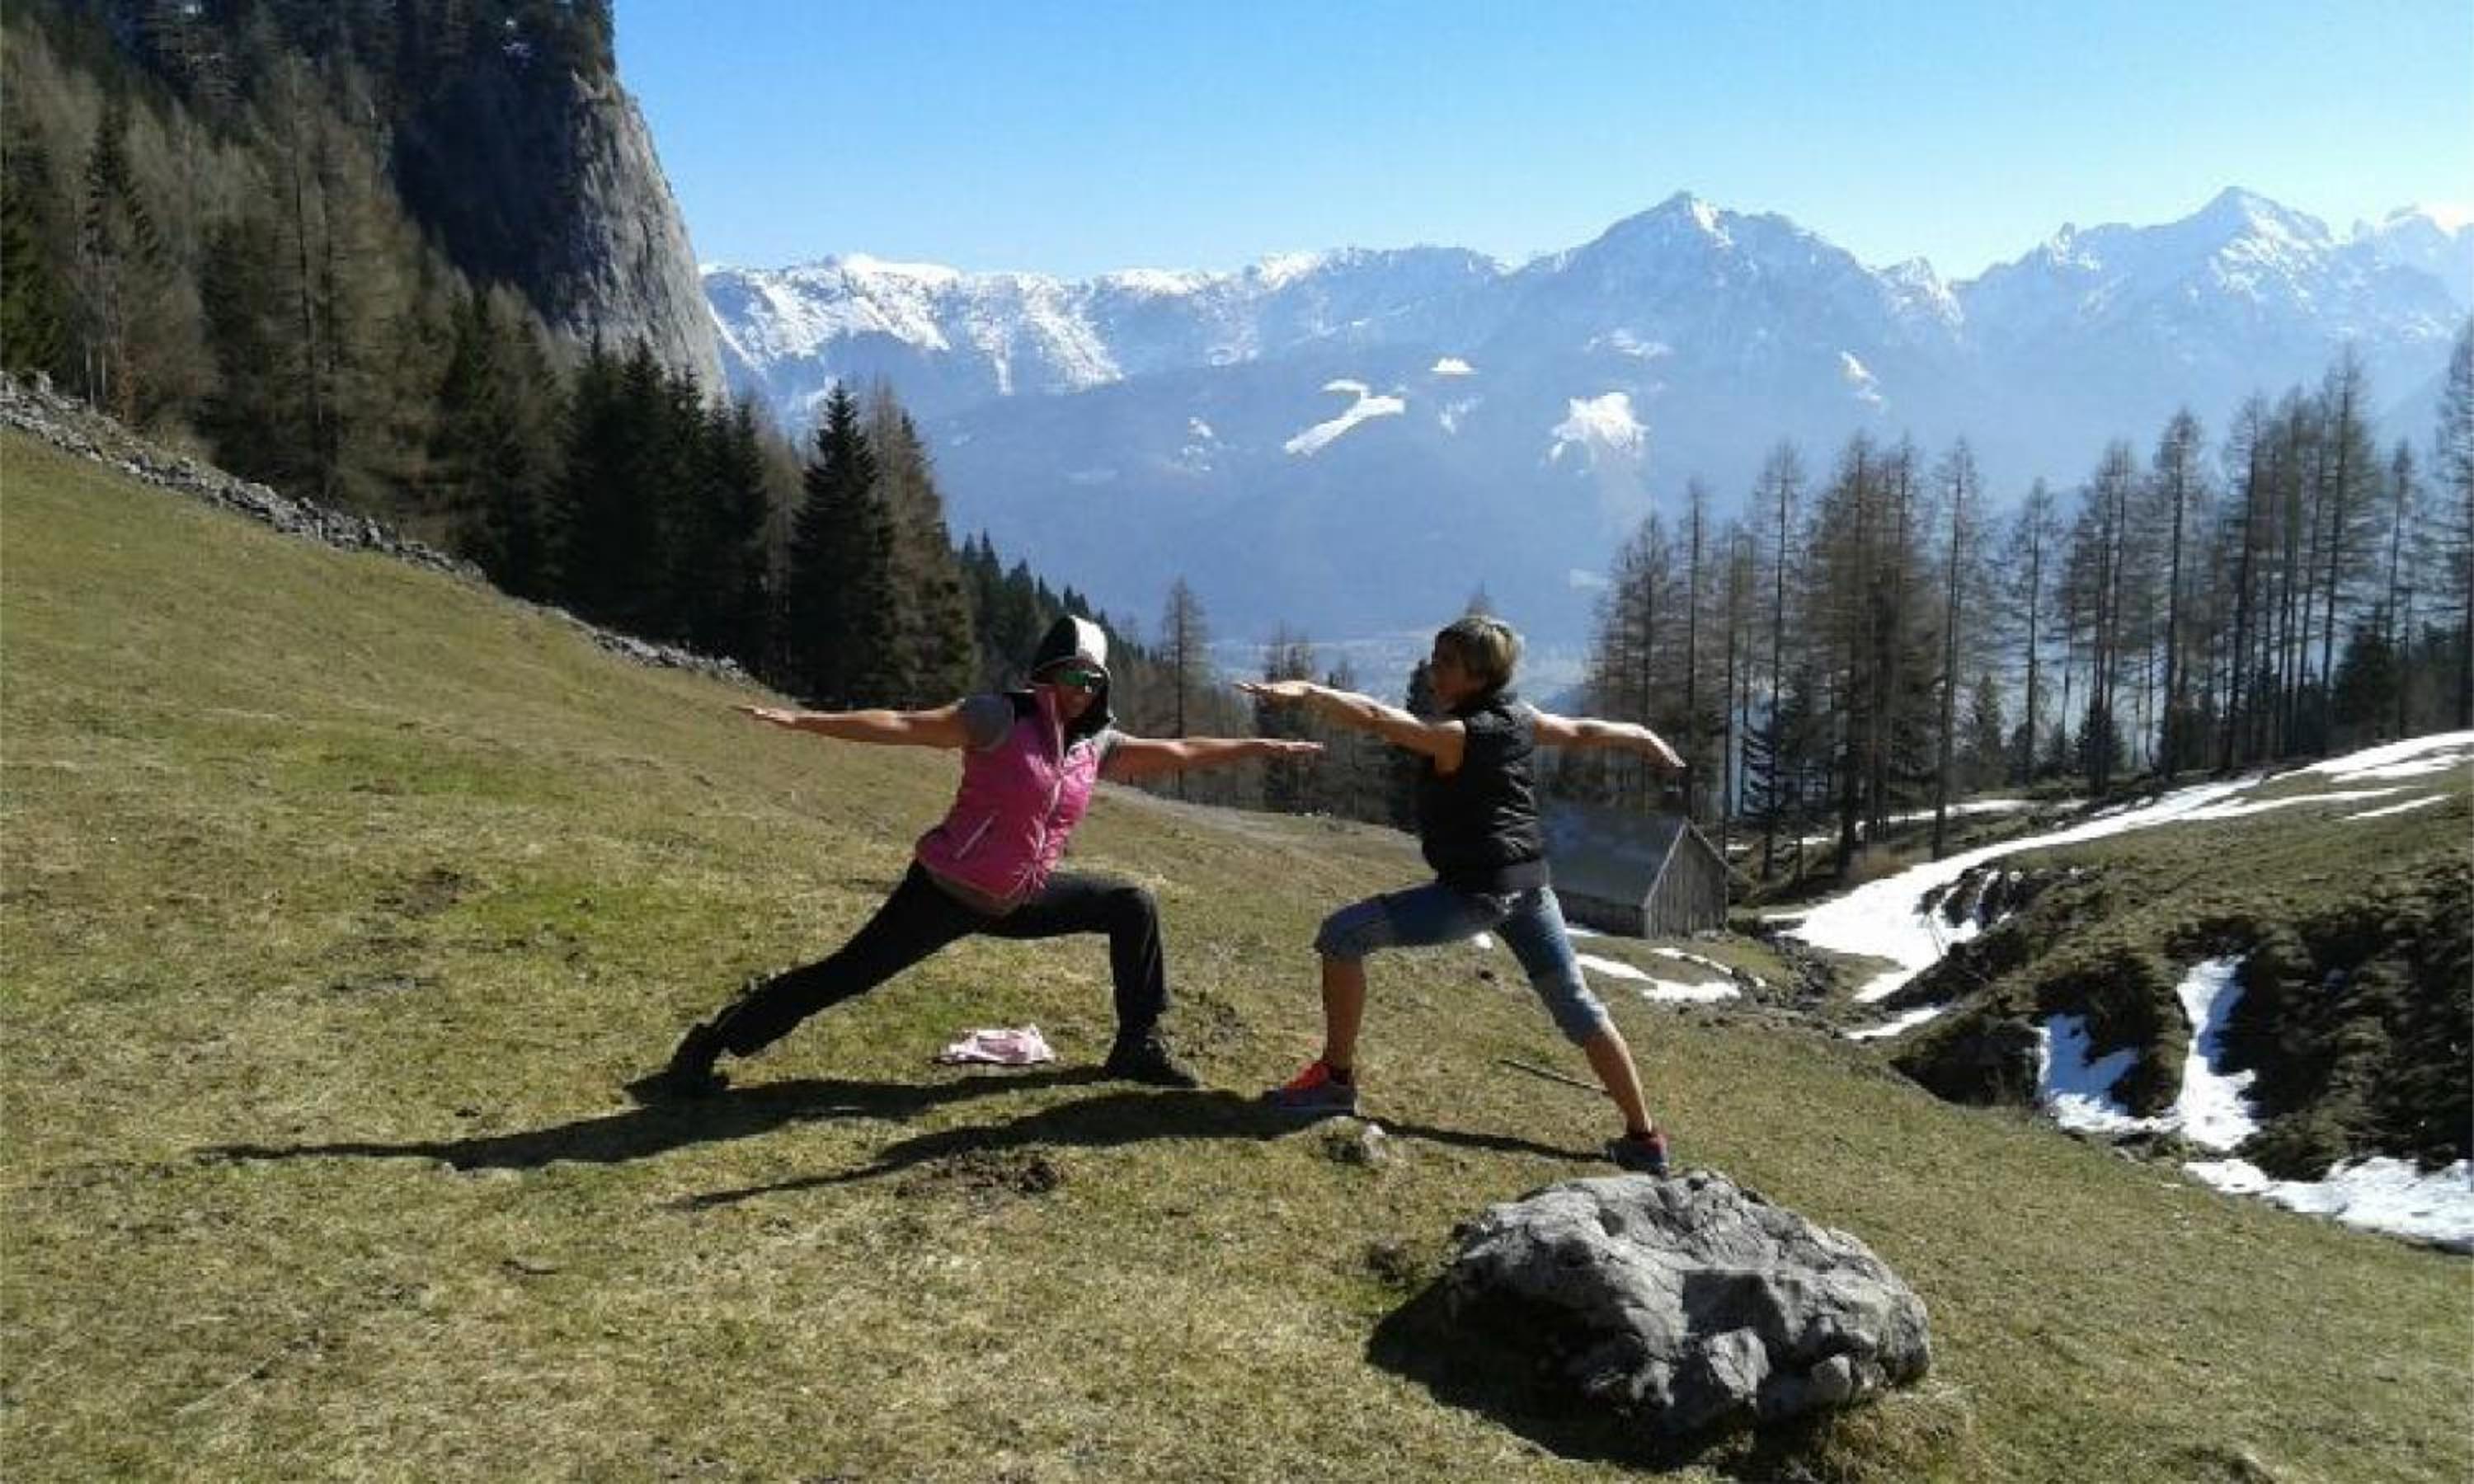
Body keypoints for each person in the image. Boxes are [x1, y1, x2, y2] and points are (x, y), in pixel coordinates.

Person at [646, 614, 1319, 1098]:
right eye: (1071, 674)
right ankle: (709, 1045)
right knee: (844, 975)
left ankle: (1137, 1046)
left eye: (1093, 679)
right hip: (944, 891)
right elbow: (903, 724)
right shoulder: (998, 717)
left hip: (1018, 897)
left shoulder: (1097, 746)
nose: (1081, 689)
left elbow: (1179, 753)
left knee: (1130, 905)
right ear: (1045, 671)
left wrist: (1258, 748)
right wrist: (804, 722)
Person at [1240, 613, 1684, 1173]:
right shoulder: (1521, 719)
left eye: (1447, 663)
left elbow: (1377, 717)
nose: (1434, 670)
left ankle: (1335, 1080)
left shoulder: (1457, 736)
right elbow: (1582, 733)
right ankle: (1644, 1139)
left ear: (1479, 676)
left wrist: (1308, 692)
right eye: (1435, 658)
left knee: (1342, 936)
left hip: (1477, 894)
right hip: (1531, 888)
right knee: (1577, 1005)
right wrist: (1641, 736)